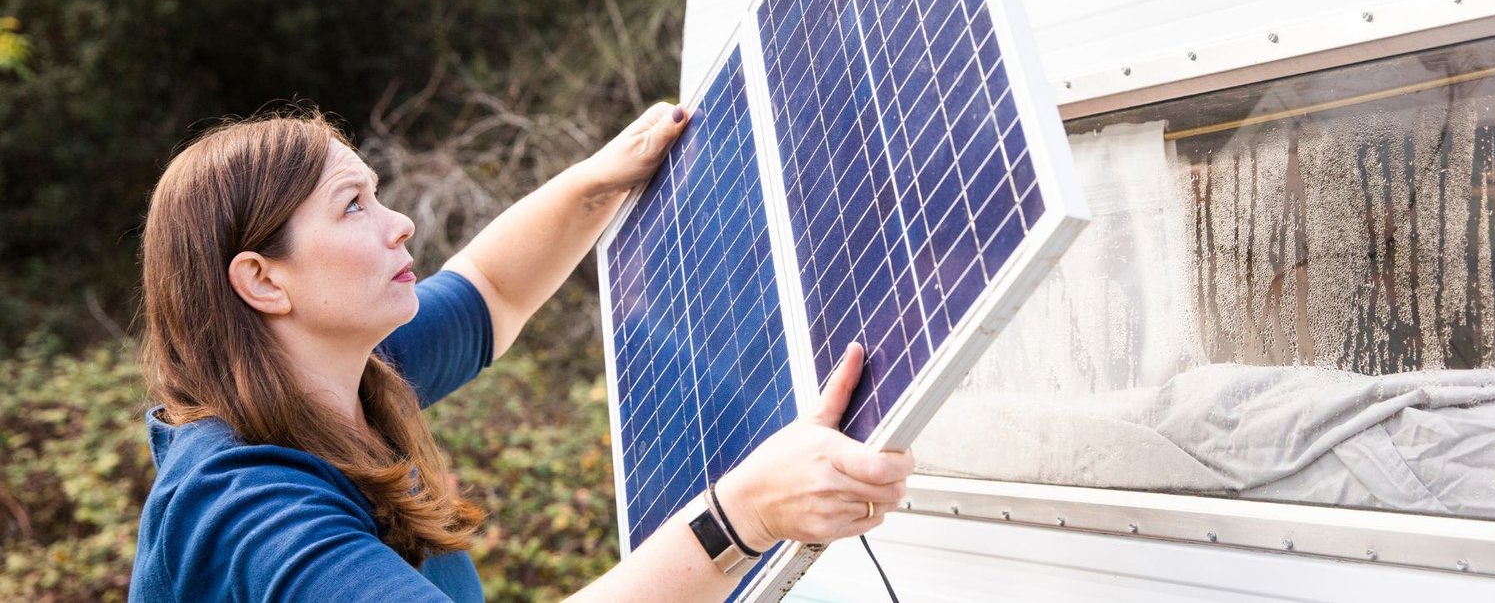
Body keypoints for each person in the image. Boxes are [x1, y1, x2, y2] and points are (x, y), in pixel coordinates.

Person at [130, 103, 914, 602]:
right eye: (354, 206)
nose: (398, 223)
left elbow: (493, 289)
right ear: (264, 281)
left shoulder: (340, 372)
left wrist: (597, 183)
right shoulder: (248, 507)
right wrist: (741, 516)